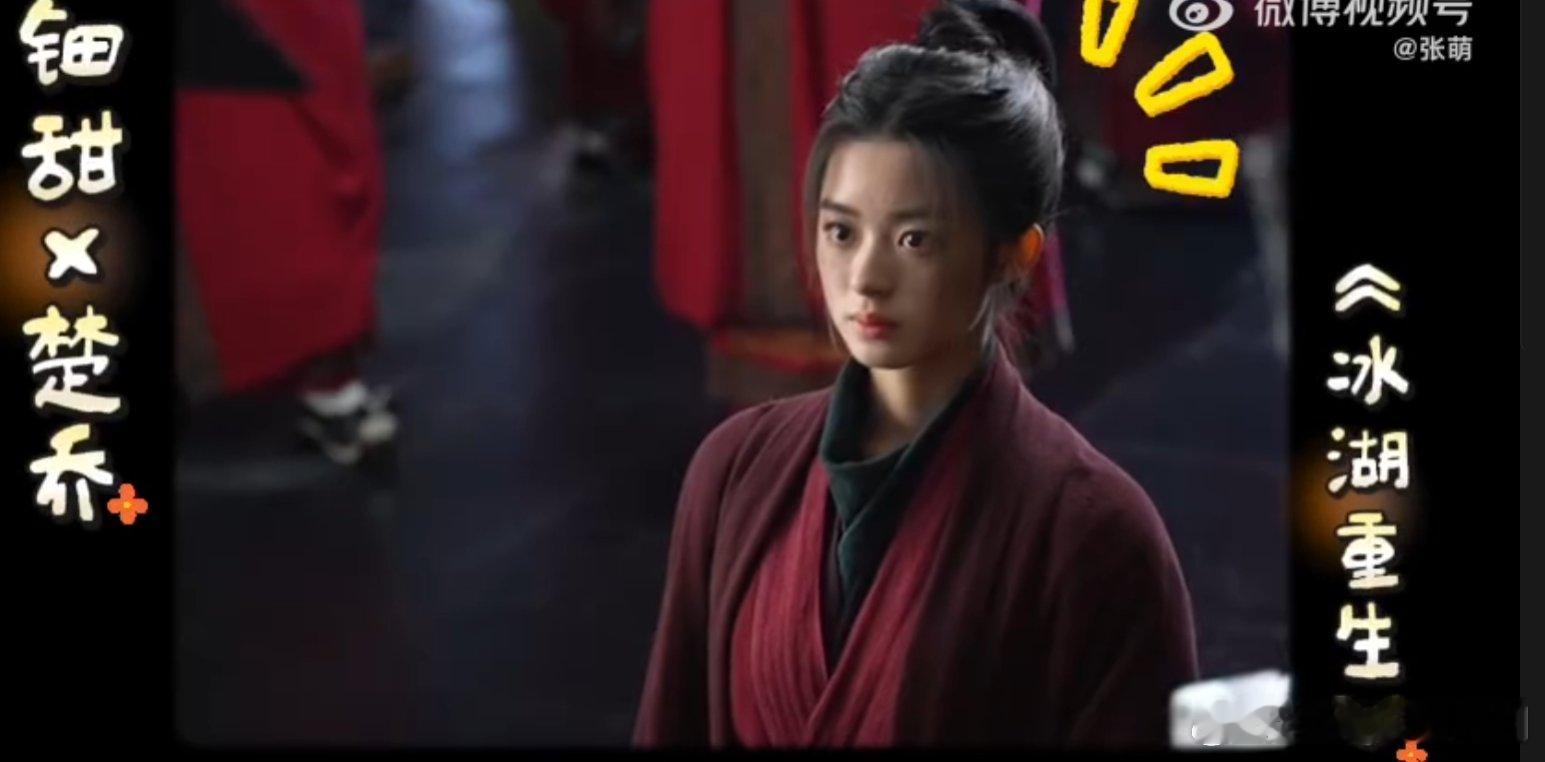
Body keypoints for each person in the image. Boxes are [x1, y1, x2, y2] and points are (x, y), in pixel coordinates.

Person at [633, 0, 1196, 748]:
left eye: (914, 239)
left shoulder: (1096, 536)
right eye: (840, 231)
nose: (864, 278)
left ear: (1014, 254)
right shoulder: (734, 472)